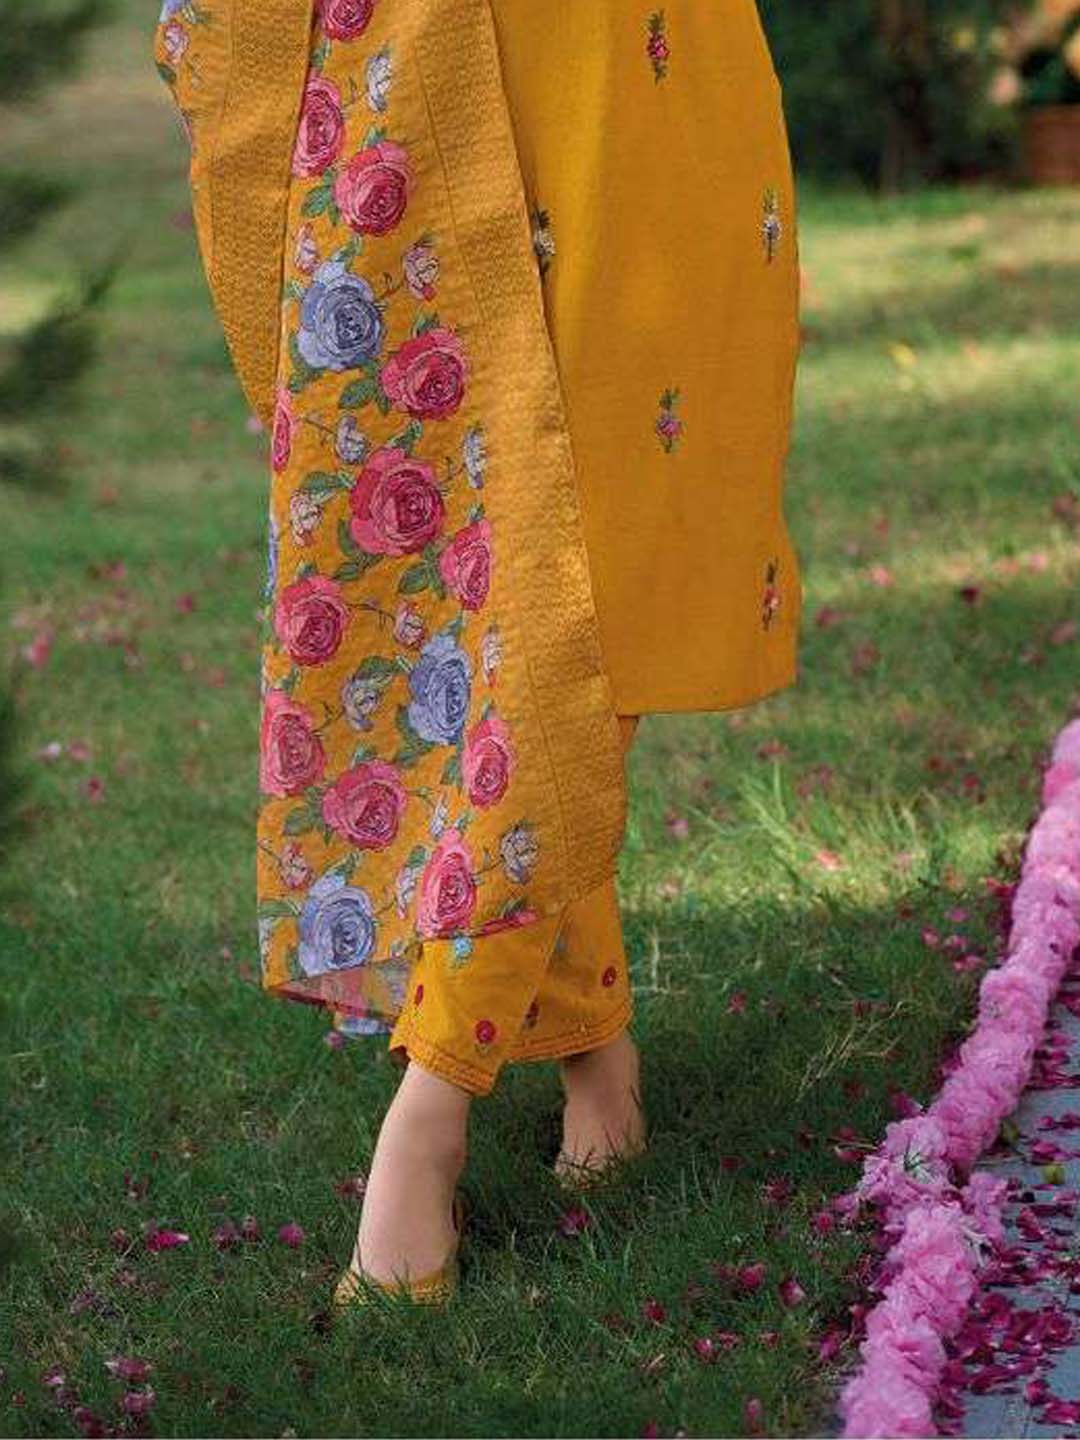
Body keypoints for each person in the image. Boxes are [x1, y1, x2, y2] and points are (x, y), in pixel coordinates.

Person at [151, 0, 803, 1304]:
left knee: (589, 573)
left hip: (610, 61)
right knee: (460, 570)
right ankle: (591, 1039)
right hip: (392, 62)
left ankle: (430, 1112)